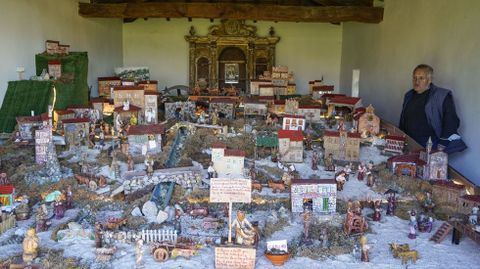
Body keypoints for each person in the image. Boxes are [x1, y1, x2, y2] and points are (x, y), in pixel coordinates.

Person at [399, 64, 466, 154]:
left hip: (430, 143)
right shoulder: (409, 95)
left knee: (427, 167)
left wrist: (443, 142)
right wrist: (400, 135)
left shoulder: (441, 95)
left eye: (421, 78)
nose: (416, 81)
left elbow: (451, 120)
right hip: (410, 140)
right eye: (414, 77)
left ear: (429, 80)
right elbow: (403, 117)